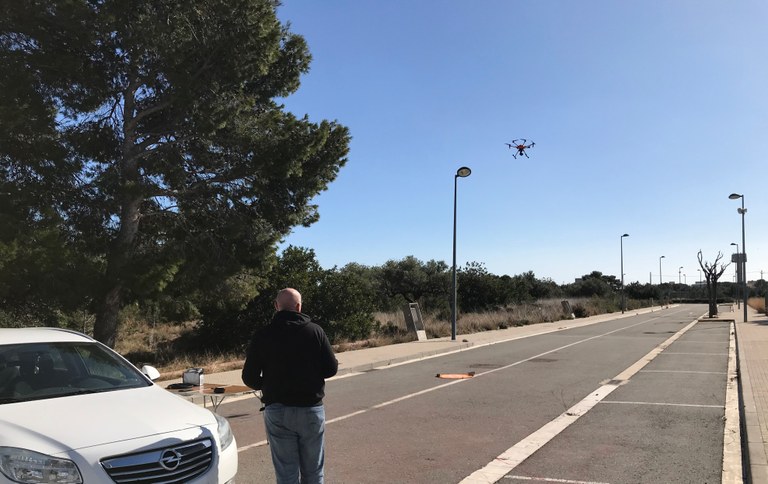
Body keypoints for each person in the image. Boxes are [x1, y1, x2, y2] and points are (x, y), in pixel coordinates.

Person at [242, 288, 338, 484]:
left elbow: (249, 376)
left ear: (276, 307)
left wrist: (268, 385)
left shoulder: (263, 335)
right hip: (311, 408)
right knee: (313, 471)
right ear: (299, 307)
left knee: (286, 474)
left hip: (277, 410)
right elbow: (331, 368)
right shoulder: (315, 331)